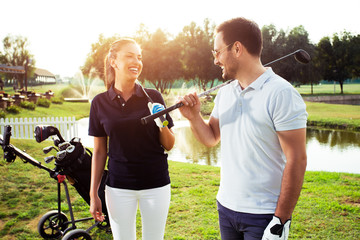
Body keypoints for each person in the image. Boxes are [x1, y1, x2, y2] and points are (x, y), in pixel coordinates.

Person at [179, 17, 308, 240]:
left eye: (217, 52)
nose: (216, 60)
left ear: (237, 48)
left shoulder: (282, 94)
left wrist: (281, 220)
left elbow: (297, 159)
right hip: (226, 207)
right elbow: (211, 138)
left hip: (264, 215)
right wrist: (193, 117)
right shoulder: (226, 92)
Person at [89, 38, 175, 240]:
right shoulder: (99, 103)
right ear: (114, 61)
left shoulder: (153, 97)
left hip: (156, 185)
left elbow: (169, 144)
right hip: (118, 187)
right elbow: (100, 152)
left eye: (139, 57)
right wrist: (94, 194)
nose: (136, 62)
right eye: (129, 56)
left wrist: (161, 120)